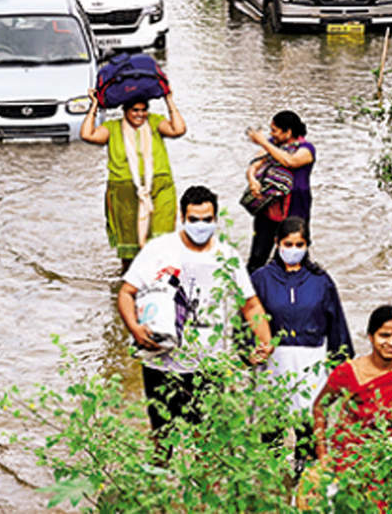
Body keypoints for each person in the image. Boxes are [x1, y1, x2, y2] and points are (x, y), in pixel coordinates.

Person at [118, 186, 274, 456]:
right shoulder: (159, 250)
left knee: (208, 442)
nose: (200, 226)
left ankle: (202, 491)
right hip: (160, 362)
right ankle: (162, 489)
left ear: (215, 219)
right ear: (182, 217)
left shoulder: (227, 257)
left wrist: (265, 341)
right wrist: (134, 327)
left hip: (208, 365)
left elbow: (250, 305)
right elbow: (126, 293)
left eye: (207, 219)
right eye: (194, 219)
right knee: (161, 438)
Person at [251, 216, 353, 473]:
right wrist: (247, 353)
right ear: (277, 243)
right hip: (274, 363)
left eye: (300, 244)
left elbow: (336, 326)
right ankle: (273, 486)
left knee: (309, 433)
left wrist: (343, 368)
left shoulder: (321, 281)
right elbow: (245, 322)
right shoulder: (261, 279)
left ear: (307, 245)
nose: (293, 250)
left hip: (311, 363)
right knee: (271, 432)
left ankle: (302, 486)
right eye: (288, 243)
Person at [312, 305, 392, 473]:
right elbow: (320, 406)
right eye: (384, 335)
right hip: (349, 461)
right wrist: (323, 454)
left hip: (391, 461)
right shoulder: (348, 372)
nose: (391, 343)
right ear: (370, 336)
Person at [81, 91, 186, 272]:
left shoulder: (154, 122)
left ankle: (159, 286)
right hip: (125, 193)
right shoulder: (113, 128)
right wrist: (95, 106)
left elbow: (178, 130)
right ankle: (127, 290)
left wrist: (169, 100)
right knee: (129, 252)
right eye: (135, 110)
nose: (140, 114)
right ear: (125, 111)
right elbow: (87, 135)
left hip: (160, 188)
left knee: (162, 242)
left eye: (144, 110)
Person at [245, 110, 315, 274]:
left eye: (274, 130)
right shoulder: (272, 144)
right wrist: (252, 180)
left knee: (293, 259)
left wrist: (264, 143)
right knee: (257, 258)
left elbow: (289, 161)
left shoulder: (306, 149)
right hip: (268, 210)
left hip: (294, 211)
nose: (271, 134)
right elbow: (254, 165)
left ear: (288, 132)